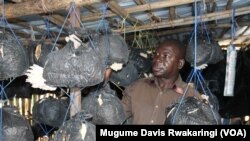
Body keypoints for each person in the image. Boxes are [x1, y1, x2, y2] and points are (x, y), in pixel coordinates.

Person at [121, 39, 201, 124]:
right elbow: (116, 116)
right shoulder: (136, 88)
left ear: (180, 64)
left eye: (165, 56)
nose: (157, 60)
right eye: (156, 55)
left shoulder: (191, 96)